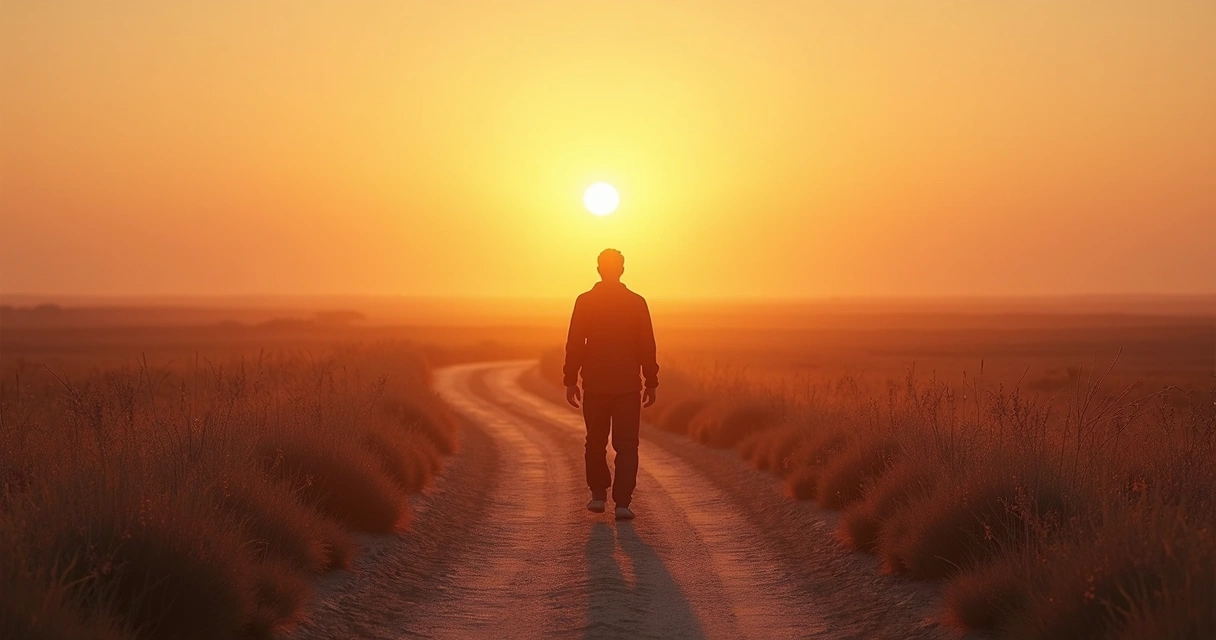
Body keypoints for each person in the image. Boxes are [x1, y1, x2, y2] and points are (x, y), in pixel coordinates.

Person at [563, 248, 659, 521]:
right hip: (625, 385)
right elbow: (647, 346)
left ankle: (598, 495)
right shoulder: (636, 302)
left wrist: (571, 380)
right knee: (626, 444)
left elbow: (574, 344)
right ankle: (622, 503)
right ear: (622, 269)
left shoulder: (585, 301)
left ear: (598, 269)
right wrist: (651, 381)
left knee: (595, 441)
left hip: (597, 384)